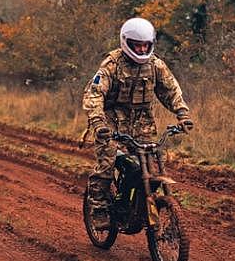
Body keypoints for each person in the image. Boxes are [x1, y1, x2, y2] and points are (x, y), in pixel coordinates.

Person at [82, 17, 194, 229]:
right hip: (111, 123)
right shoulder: (112, 64)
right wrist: (99, 123)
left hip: (142, 123)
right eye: (137, 45)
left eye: (146, 45)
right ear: (126, 42)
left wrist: (182, 114)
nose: (142, 49)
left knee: (152, 164)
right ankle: (99, 208)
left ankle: (144, 204)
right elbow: (94, 95)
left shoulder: (155, 66)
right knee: (107, 164)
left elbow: (171, 91)